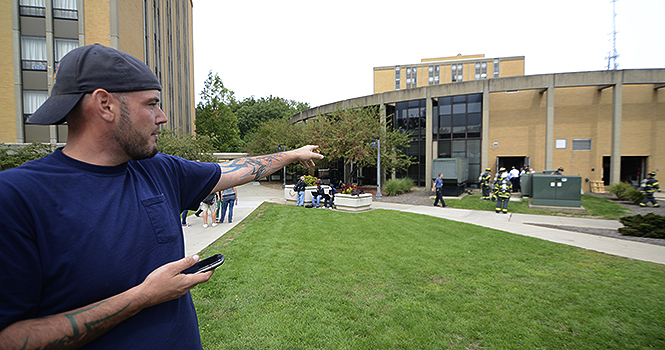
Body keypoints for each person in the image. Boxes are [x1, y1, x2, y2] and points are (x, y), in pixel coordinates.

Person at [0, 44, 324, 350]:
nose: (162, 116)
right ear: (105, 105)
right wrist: (142, 297)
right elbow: (10, 338)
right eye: (152, 103)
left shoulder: (160, 170)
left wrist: (291, 155)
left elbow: (235, 170)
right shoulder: (17, 197)